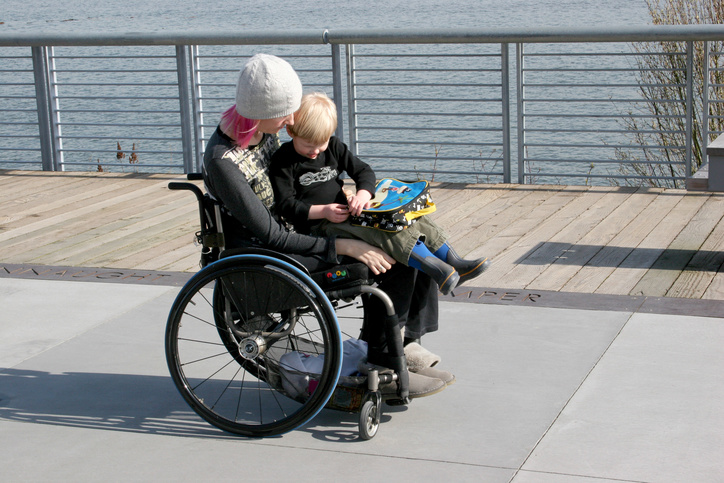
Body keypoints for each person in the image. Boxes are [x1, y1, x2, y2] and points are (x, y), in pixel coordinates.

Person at [201, 54, 452, 396]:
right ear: (262, 109)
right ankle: (382, 358)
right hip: (271, 254)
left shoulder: (261, 132)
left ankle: (402, 343)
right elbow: (271, 234)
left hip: (297, 231)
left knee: (401, 232)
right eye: (286, 111)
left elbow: (297, 184)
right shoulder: (224, 162)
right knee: (389, 261)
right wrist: (344, 246)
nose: (293, 119)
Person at [269, 92, 490, 296]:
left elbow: (364, 171)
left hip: (351, 208)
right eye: (308, 145)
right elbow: (286, 205)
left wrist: (363, 194)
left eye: (321, 143)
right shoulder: (284, 160)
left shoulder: (334, 147)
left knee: (410, 216)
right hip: (320, 226)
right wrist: (323, 212)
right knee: (383, 231)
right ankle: (438, 270)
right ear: (291, 131)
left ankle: (454, 261)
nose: (315, 151)